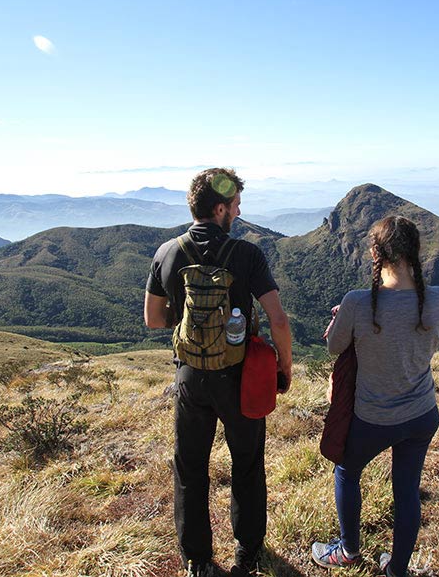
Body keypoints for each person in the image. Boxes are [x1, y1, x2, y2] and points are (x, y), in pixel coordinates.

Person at [144, 168, 293, 577]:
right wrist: (283, 367)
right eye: (236, 205)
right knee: (247, 464)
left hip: (190, 377)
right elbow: (278, 320)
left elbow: (153, 319)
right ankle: (248, 554)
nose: (240, 212)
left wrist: (189, 319)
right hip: (239, 377)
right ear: (221, 209)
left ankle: (197, 559)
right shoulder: (246, 255)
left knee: (190, 468)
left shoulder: (167, 252)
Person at [311, 215, 439, 577]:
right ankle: (397, 569)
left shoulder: (357, 303)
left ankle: (348, 551)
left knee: (347, 470)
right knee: (407, 490)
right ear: (416, 251)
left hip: (373, 417)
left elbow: (334, 346)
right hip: (421, 414)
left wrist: (343, 319)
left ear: (375, 253)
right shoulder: (438, 298)